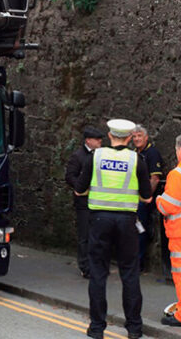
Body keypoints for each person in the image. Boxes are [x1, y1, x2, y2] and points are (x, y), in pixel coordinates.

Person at [75, 119, 152, 339]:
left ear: (110, 135)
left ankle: (97, 328)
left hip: (99, 220)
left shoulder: (95, 156)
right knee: (130, 273)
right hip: (127, 222)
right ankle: (134, 328)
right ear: (129, 138)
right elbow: (147, 197)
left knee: (98, 273)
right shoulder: (136, 159)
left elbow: (79, 189)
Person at [65, 126, 105, 279]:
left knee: (98, 234)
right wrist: (80, 188)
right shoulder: (78, 156)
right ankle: (85, 266)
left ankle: (97, 263)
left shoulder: (101, 155)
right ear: (88, 140)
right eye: (97, 139)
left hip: (99, 201)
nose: (100, 141)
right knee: (85, 235)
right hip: (84, 202)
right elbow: (70, 176)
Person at [132, 125, 164, 272]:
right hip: (131, 198)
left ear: (146, 137)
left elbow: (155, 179)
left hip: (143, 200)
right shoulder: (133, 153)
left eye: (139, 136)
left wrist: (145, 197)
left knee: (140, 230)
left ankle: (138, 264)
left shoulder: (152, 153)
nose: (137, 139)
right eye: (134, 136)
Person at [157, 134, 181, 327]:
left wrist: (158, 199)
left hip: (179, 235)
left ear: (178, 150)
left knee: (180, 275)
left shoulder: (177, 174)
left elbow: (168, 206)